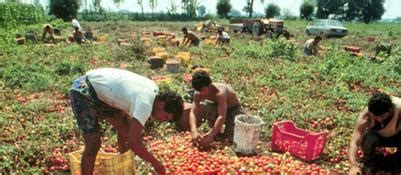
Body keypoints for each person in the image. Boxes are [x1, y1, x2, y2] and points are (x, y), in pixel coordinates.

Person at [70, 68, 183, 175]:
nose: (161, 120)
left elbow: (129, 131)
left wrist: (132, 147)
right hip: (84, 90)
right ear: (162, 105)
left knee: (125, 130)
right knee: (93, 143)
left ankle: (123, 165)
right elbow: (134, 142)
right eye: (165, 117)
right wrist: (156, 164)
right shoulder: (145, 104)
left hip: (102, 92)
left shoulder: (154, 92)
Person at [348, 92, 401, 174]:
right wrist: (353, 165)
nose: (378, 120)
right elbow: (354, 142)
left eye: (382, 116)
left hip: (397, 137)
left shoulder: (399, 108)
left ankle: (396, 159)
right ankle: (370, 161)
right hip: (377, 138)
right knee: (368, 139)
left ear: (390, 109)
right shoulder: (366, 116)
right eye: (374, 116)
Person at [189, 70, 244, 148]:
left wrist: (211, 135)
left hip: (233, 109)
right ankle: (215, 132)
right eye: (199, 90)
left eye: (203, 90)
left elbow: (221, 116)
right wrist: (193, 130)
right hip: (218, 107)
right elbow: (193, 112)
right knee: (206, 106)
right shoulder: (198, 93)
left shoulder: (220, 92)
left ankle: (216, 133)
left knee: (230, 138)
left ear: (210, 85)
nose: (201, 93)